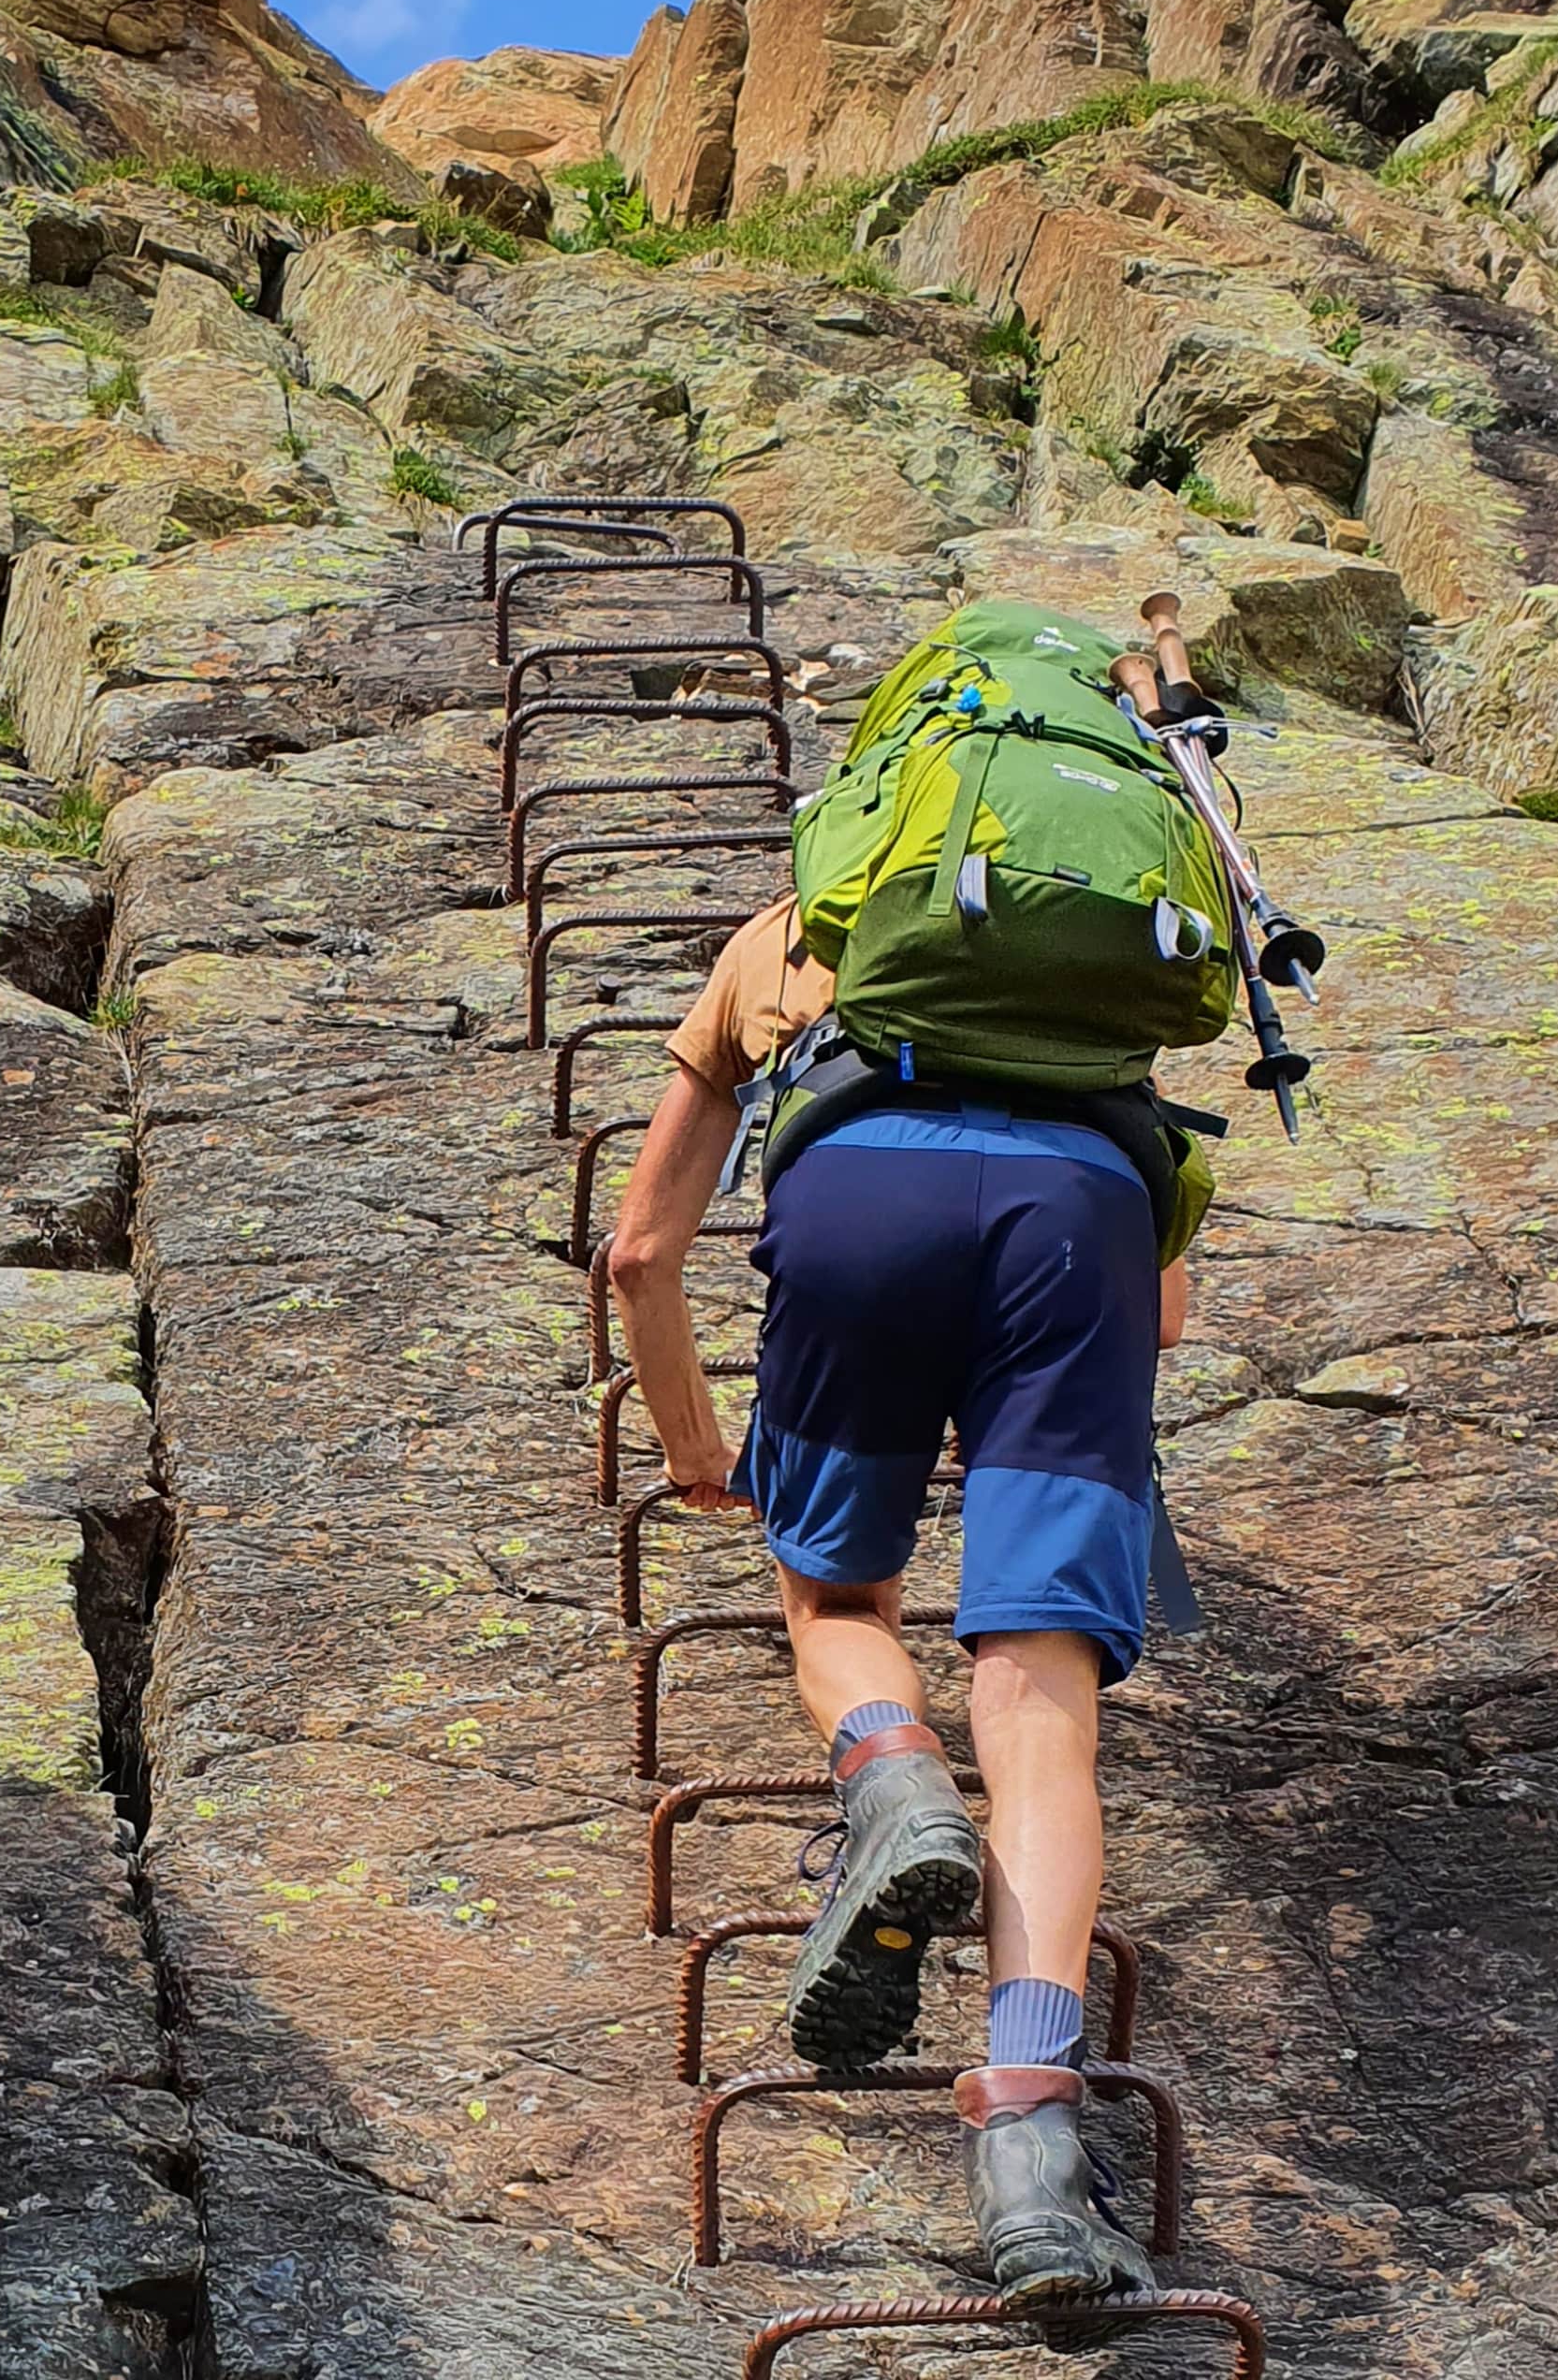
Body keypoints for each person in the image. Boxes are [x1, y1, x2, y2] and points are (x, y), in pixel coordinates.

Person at [609, 881, 1206, 2310]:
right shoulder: (1099, 942)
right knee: (1043, 1689)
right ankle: (1029, 2135)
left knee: (837, 1604)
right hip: (1081, 1225)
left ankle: (897, 1786)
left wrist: (695, 1441)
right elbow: (1167, 1318)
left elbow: (638, 1250)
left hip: (857, 1209)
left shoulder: (790, 932)